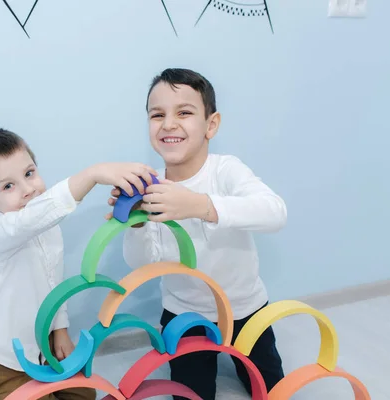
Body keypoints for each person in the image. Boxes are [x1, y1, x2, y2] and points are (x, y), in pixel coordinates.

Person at [106, 68, 287, 400]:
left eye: (184, 112)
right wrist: (136, 225)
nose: (169, 123)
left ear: (211, 125)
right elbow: (143, 264)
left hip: (245, 307)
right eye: (157, 114)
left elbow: (275, 212)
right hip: (185, 313)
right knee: (191, 395)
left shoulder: (225, 170)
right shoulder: (150, 186)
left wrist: (200, 205)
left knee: (273, 390)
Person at [0, 127, 157, 400]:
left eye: (29, 173)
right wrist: (92, 174)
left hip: (39, 346)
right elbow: (29, 221)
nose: (28, 189)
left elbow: (54, 283)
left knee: (84, 395)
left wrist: (60, 331)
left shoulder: (48, 228)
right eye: (8, 186)